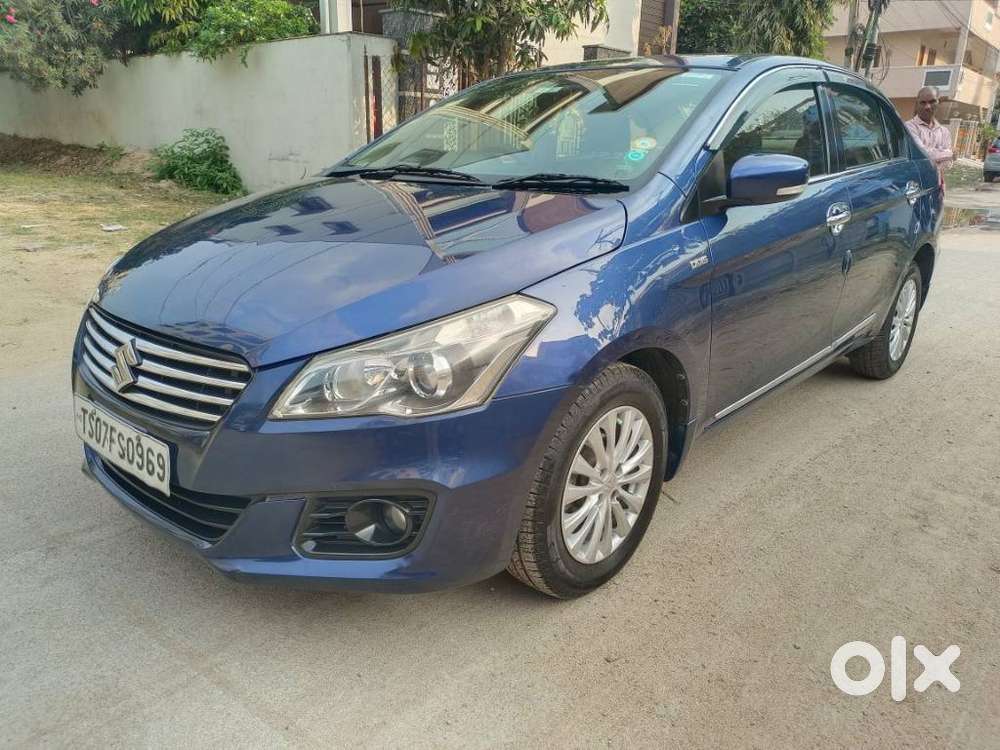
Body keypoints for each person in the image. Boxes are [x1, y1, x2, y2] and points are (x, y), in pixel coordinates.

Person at [904, 86, 954, 174]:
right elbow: (921, 154)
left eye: (932, 102)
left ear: (938, 103)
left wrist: (932, 158)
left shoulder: (944, 132)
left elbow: (948, 164)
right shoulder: (909, 127)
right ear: (917, 105)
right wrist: (949, 153)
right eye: (923, 103)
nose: (927, 107)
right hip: (916, 183)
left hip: (937, 183)